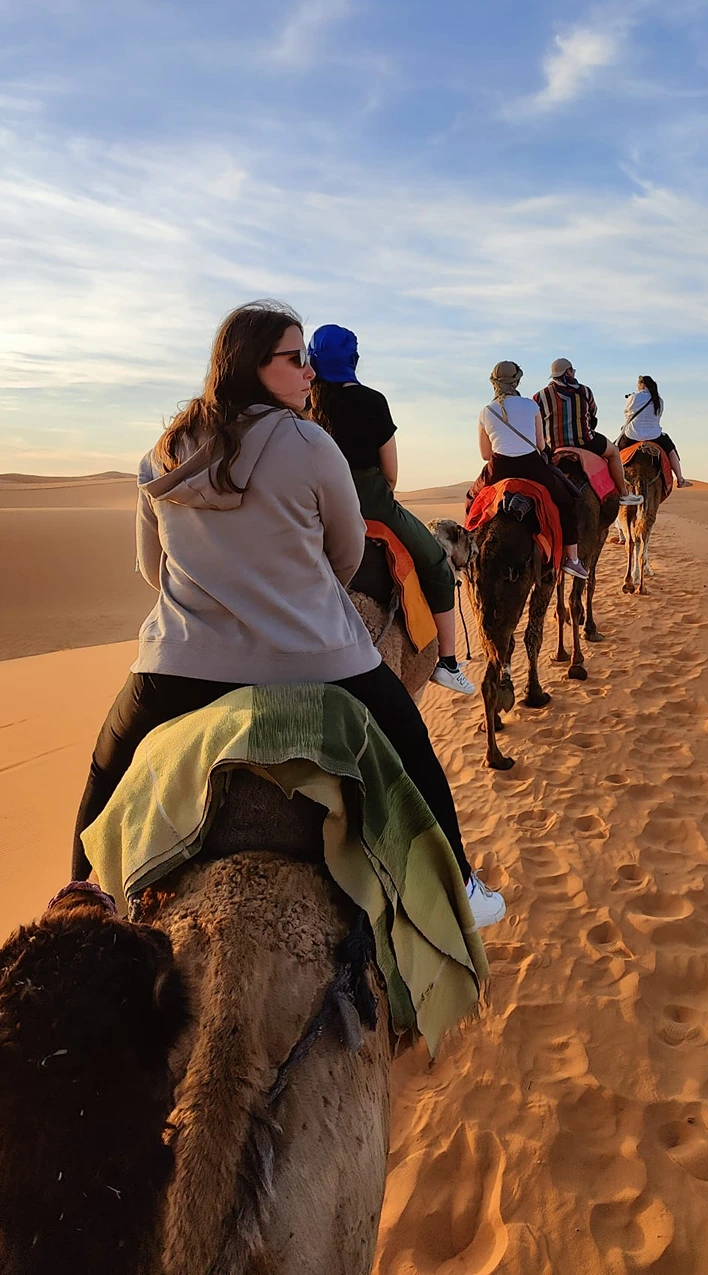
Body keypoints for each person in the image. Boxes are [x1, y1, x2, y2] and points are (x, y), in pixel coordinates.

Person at [72, 302, 504, 929]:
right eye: (296, 358)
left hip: (182, 662)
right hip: (319, 657)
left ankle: (79, 900)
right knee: (412, 749)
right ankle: (460, 885)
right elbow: (347, 552)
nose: (308, 373)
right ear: (255, 365)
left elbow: (151, 569)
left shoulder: (162, 453)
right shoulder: (310, 442)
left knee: (105, 769)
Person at [306, 324, 475, 696]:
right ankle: (446, 662)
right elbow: (391, 473)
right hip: (371, 503)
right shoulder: (372, 401)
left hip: (311, 505)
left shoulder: (305, 406)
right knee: (434, 564)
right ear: (354, 359)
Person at [477, 362, 589, 579]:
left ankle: (468, 552)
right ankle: (572, 560)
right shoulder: (530, 406)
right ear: (517, 381)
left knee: (473, 500)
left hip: (499, 468)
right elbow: (540, 444)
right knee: (566, 500)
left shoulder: (485, 412)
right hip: (531, 466)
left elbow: (484, 454)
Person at [533, 359, 642, 506]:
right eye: (572, 370)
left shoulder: (539, 396)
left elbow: (537, 422)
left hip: (554, 445)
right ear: (568, 372)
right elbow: (593, 413)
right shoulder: (584, 391)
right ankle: (624, 493)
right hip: (585, 441)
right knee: (614, 452)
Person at [620, 374, 692, 487]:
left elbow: (627, 413)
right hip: (654, 435)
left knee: (613, 452)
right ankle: (680, 478)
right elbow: (657, 417)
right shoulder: (659, 400)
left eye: (638, 384)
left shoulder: (633, 397)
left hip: (632, 435)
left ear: (642, 384)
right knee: (671, 450)